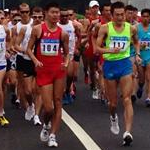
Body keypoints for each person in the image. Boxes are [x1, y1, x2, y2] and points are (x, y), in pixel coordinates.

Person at [96, 1, 141, 146]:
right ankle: (113, 117)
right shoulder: (105, 28)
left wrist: (138, 53)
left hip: (125, 64)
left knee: (127, 99)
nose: (121, 17)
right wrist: (109, 50)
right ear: (112, 15)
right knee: (113, 103)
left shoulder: (131, 28)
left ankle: (127, 132)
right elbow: (97, 48)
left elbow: (136, 41)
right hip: (110, 65)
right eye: (117, 15)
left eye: (122, 14)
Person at [27, 2, 69, 147]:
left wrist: (67, 62)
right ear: (46, 13)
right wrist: (35, 60)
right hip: (43, 71)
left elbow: (67, 52)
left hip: (58, 71)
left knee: (58, 102)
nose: (56, 15)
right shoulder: (38, 30)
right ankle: (45, 125)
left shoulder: (62, 33)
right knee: (49, 107)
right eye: (53, 12)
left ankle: (53, 135)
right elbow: (29, 49)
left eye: (57, 12)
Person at [136, 8, 150, 106]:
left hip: (149, 55)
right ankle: (140, 87)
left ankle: (148, 97)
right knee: (141, 79)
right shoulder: (136, 28)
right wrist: (139, 46)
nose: (145, 18)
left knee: (149, 77)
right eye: (143, 16)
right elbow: (133, 41)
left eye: (147, 16)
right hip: (140, 56)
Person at [0, 13, 11, 126]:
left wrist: (7, 49)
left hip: (1, 63)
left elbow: (8, 40)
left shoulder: (4, 29)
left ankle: (1, 114)